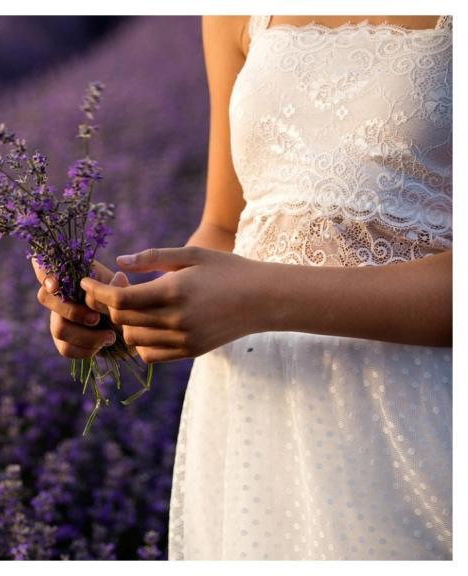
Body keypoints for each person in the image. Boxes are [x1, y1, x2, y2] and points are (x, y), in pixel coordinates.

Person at [32, 15, 452, 560]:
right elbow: (227, 226)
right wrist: (133, 307)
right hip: (254, 414)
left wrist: (257, 299)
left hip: (415, 410)